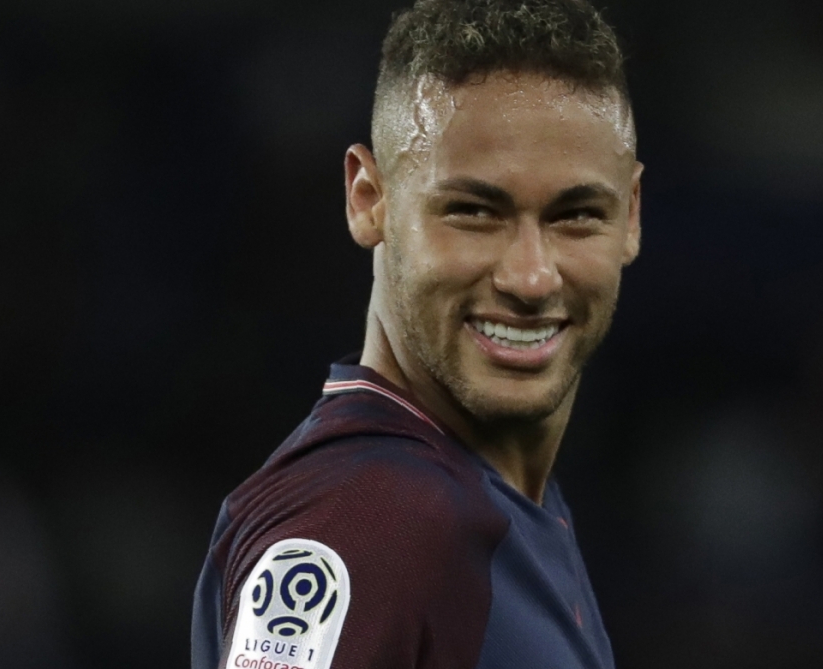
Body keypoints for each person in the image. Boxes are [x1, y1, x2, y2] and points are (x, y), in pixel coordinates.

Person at [192, 0, 641, 667]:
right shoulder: (370, 518)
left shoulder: (488, 500)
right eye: (473, 211)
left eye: (576, 215)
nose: (532, 276)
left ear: (631, 216)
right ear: (368, 199)